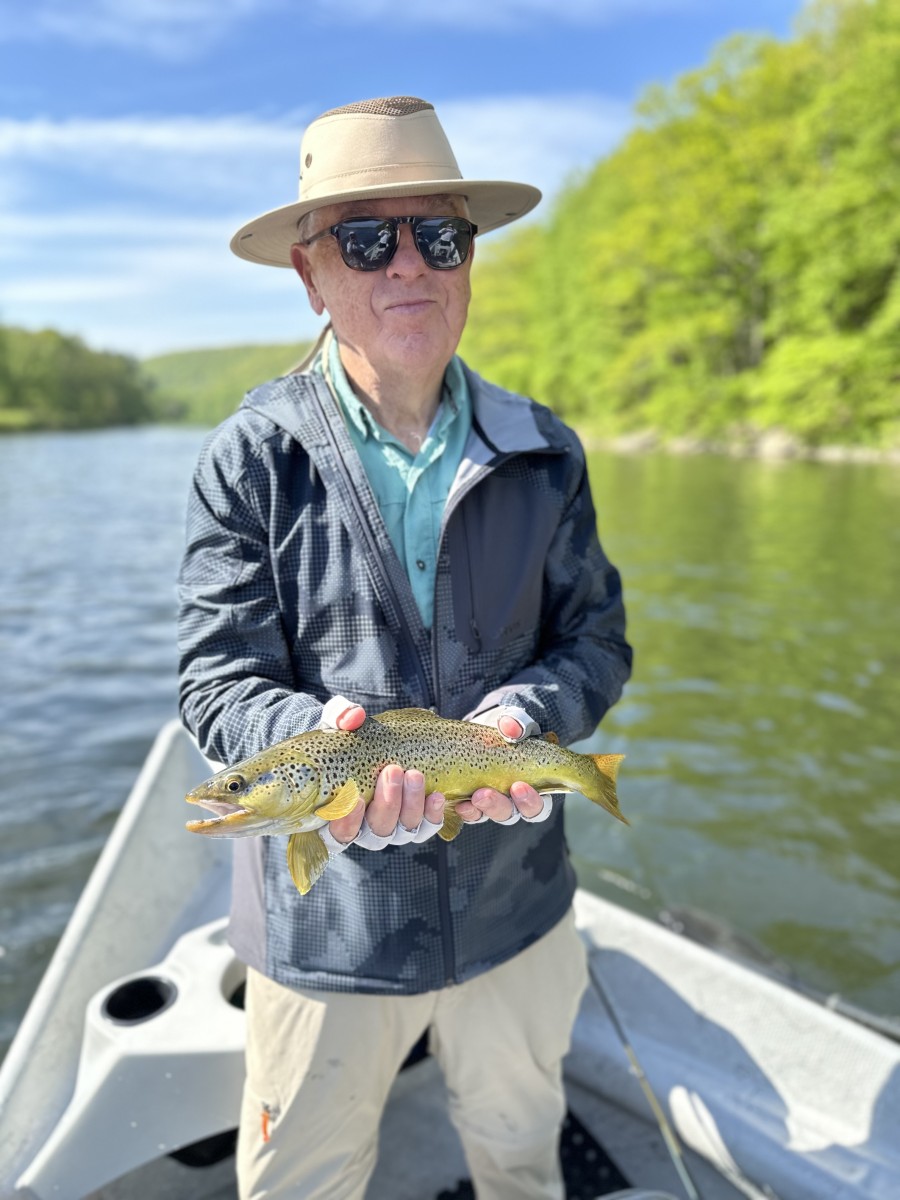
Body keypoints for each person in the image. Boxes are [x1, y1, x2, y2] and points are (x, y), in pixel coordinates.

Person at [177, 95, 632, 1200]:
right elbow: (216, 678)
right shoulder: (248, 459)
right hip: (323, 937)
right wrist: (309, 740)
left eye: (439, 235)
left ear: (468, 260)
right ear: (311, 276)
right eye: (368, 240)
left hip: (519, 910)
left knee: (522, 1164)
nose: (408, 269)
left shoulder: (546, 450)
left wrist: (536, 719)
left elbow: (598, 640)